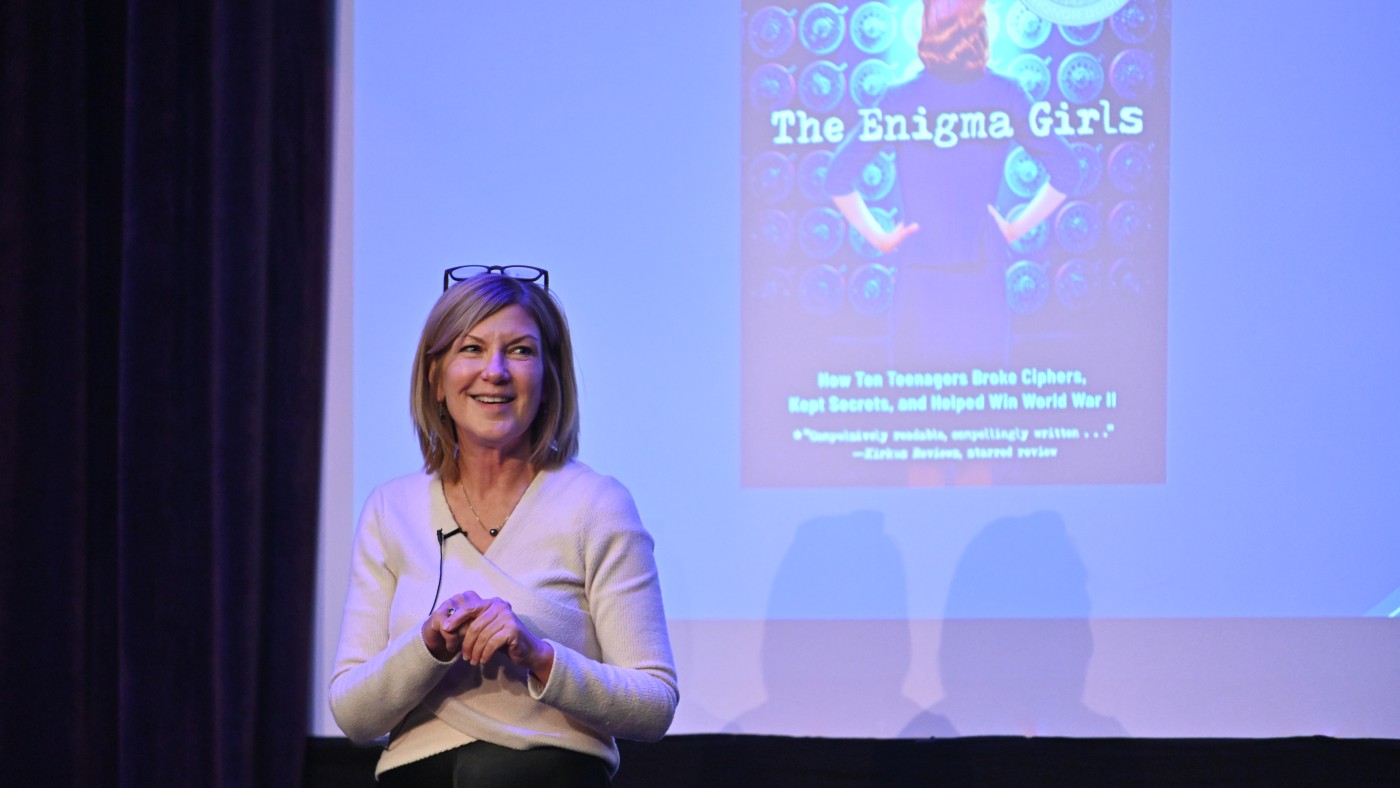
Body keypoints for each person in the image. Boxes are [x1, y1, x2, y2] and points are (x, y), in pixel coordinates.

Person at [330, 266, 678, 786]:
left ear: (549, 378)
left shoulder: (596, 504)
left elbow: (654, 705)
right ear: (435, 377)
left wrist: (540, 656)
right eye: (471, 349)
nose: (494, 371)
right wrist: (427, 646)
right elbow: (353, 715)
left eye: (520, 351)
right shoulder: (390, 508)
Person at [825, 0, 1079, 370]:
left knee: (915, 398)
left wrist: (881, 238)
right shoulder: (1007, 94)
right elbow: (1068, 169)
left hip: (919, 275)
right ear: (981, 23)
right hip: (983, 275)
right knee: (984, 398)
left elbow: (837, 175)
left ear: (927, 24)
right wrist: (1013, 229)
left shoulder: (899, 98)